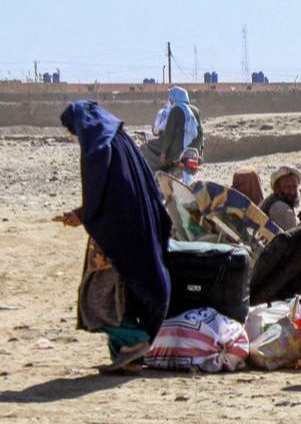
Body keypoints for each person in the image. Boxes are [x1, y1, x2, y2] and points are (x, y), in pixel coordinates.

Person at [59, 101, 172, 374]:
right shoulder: (121, 142)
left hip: (115, 239)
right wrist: (83, 214)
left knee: (95, 302)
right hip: (136, 234)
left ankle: (135, 343)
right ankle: (126, 359)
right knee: (122, 298)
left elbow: (101, 196)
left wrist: (85, 215)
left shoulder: (98, 150)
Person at [142, 86, 204, 174]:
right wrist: (200, 153)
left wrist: (163, 153)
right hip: (195, 151)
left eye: (171, 98)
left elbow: (168, 133)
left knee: (147, 148)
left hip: (177, 150)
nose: (170, 100)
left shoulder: (175, 109)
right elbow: (200, 133)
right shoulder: (195, 110)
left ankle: (151, 176)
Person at [261, 165, 301, 231]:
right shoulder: (282, 208)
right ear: (277, 189)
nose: (292, 192)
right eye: (287, 188)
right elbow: (298, 237)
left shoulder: (271, 199)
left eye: (294, 187)